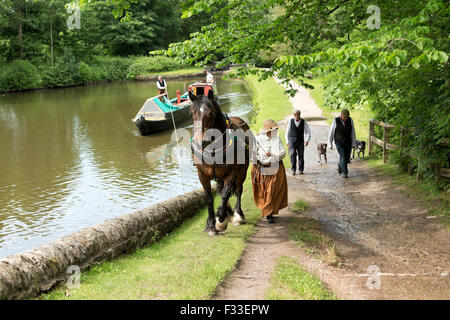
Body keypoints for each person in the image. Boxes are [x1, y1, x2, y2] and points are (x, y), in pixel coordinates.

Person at [252, 119, 288, 223]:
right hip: (262, 168)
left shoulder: (277, 139)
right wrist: (257, 159)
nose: (276, 131)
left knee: (272, 190)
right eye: (275, 129)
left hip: (274, 168)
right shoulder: (258, 139)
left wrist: (273, 155)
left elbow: (282, 152)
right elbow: (252, 154)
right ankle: (269, 211)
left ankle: (269, 213)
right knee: (264, 191)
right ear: (268, 131)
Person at [328, 109, 356, 178]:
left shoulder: (350, 120)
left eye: (347, 117)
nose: (346, 118)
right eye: (344, 117)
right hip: (338, 141)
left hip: (348, 141)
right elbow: (331, 132)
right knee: (342, 156)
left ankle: (340, 164)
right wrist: (330, 143)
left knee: (347, 158)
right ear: (341, 115)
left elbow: (353, 132)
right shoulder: (336, 121)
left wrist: (353, 143)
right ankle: (345, 172)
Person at [285, 110, 311, 175]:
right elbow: (287, 132)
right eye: (295, 115)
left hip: (300, 141)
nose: (296, 116)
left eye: (298, 114)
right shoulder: (290, 121)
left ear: (300, 114)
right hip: (292, 140)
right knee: (292, 153)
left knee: (301, 155)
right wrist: (287, 141)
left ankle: (301, 169)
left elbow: (308, 132)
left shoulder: (303, 122)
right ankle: (293, 169)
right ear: (294, 115)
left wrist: (307, 140)